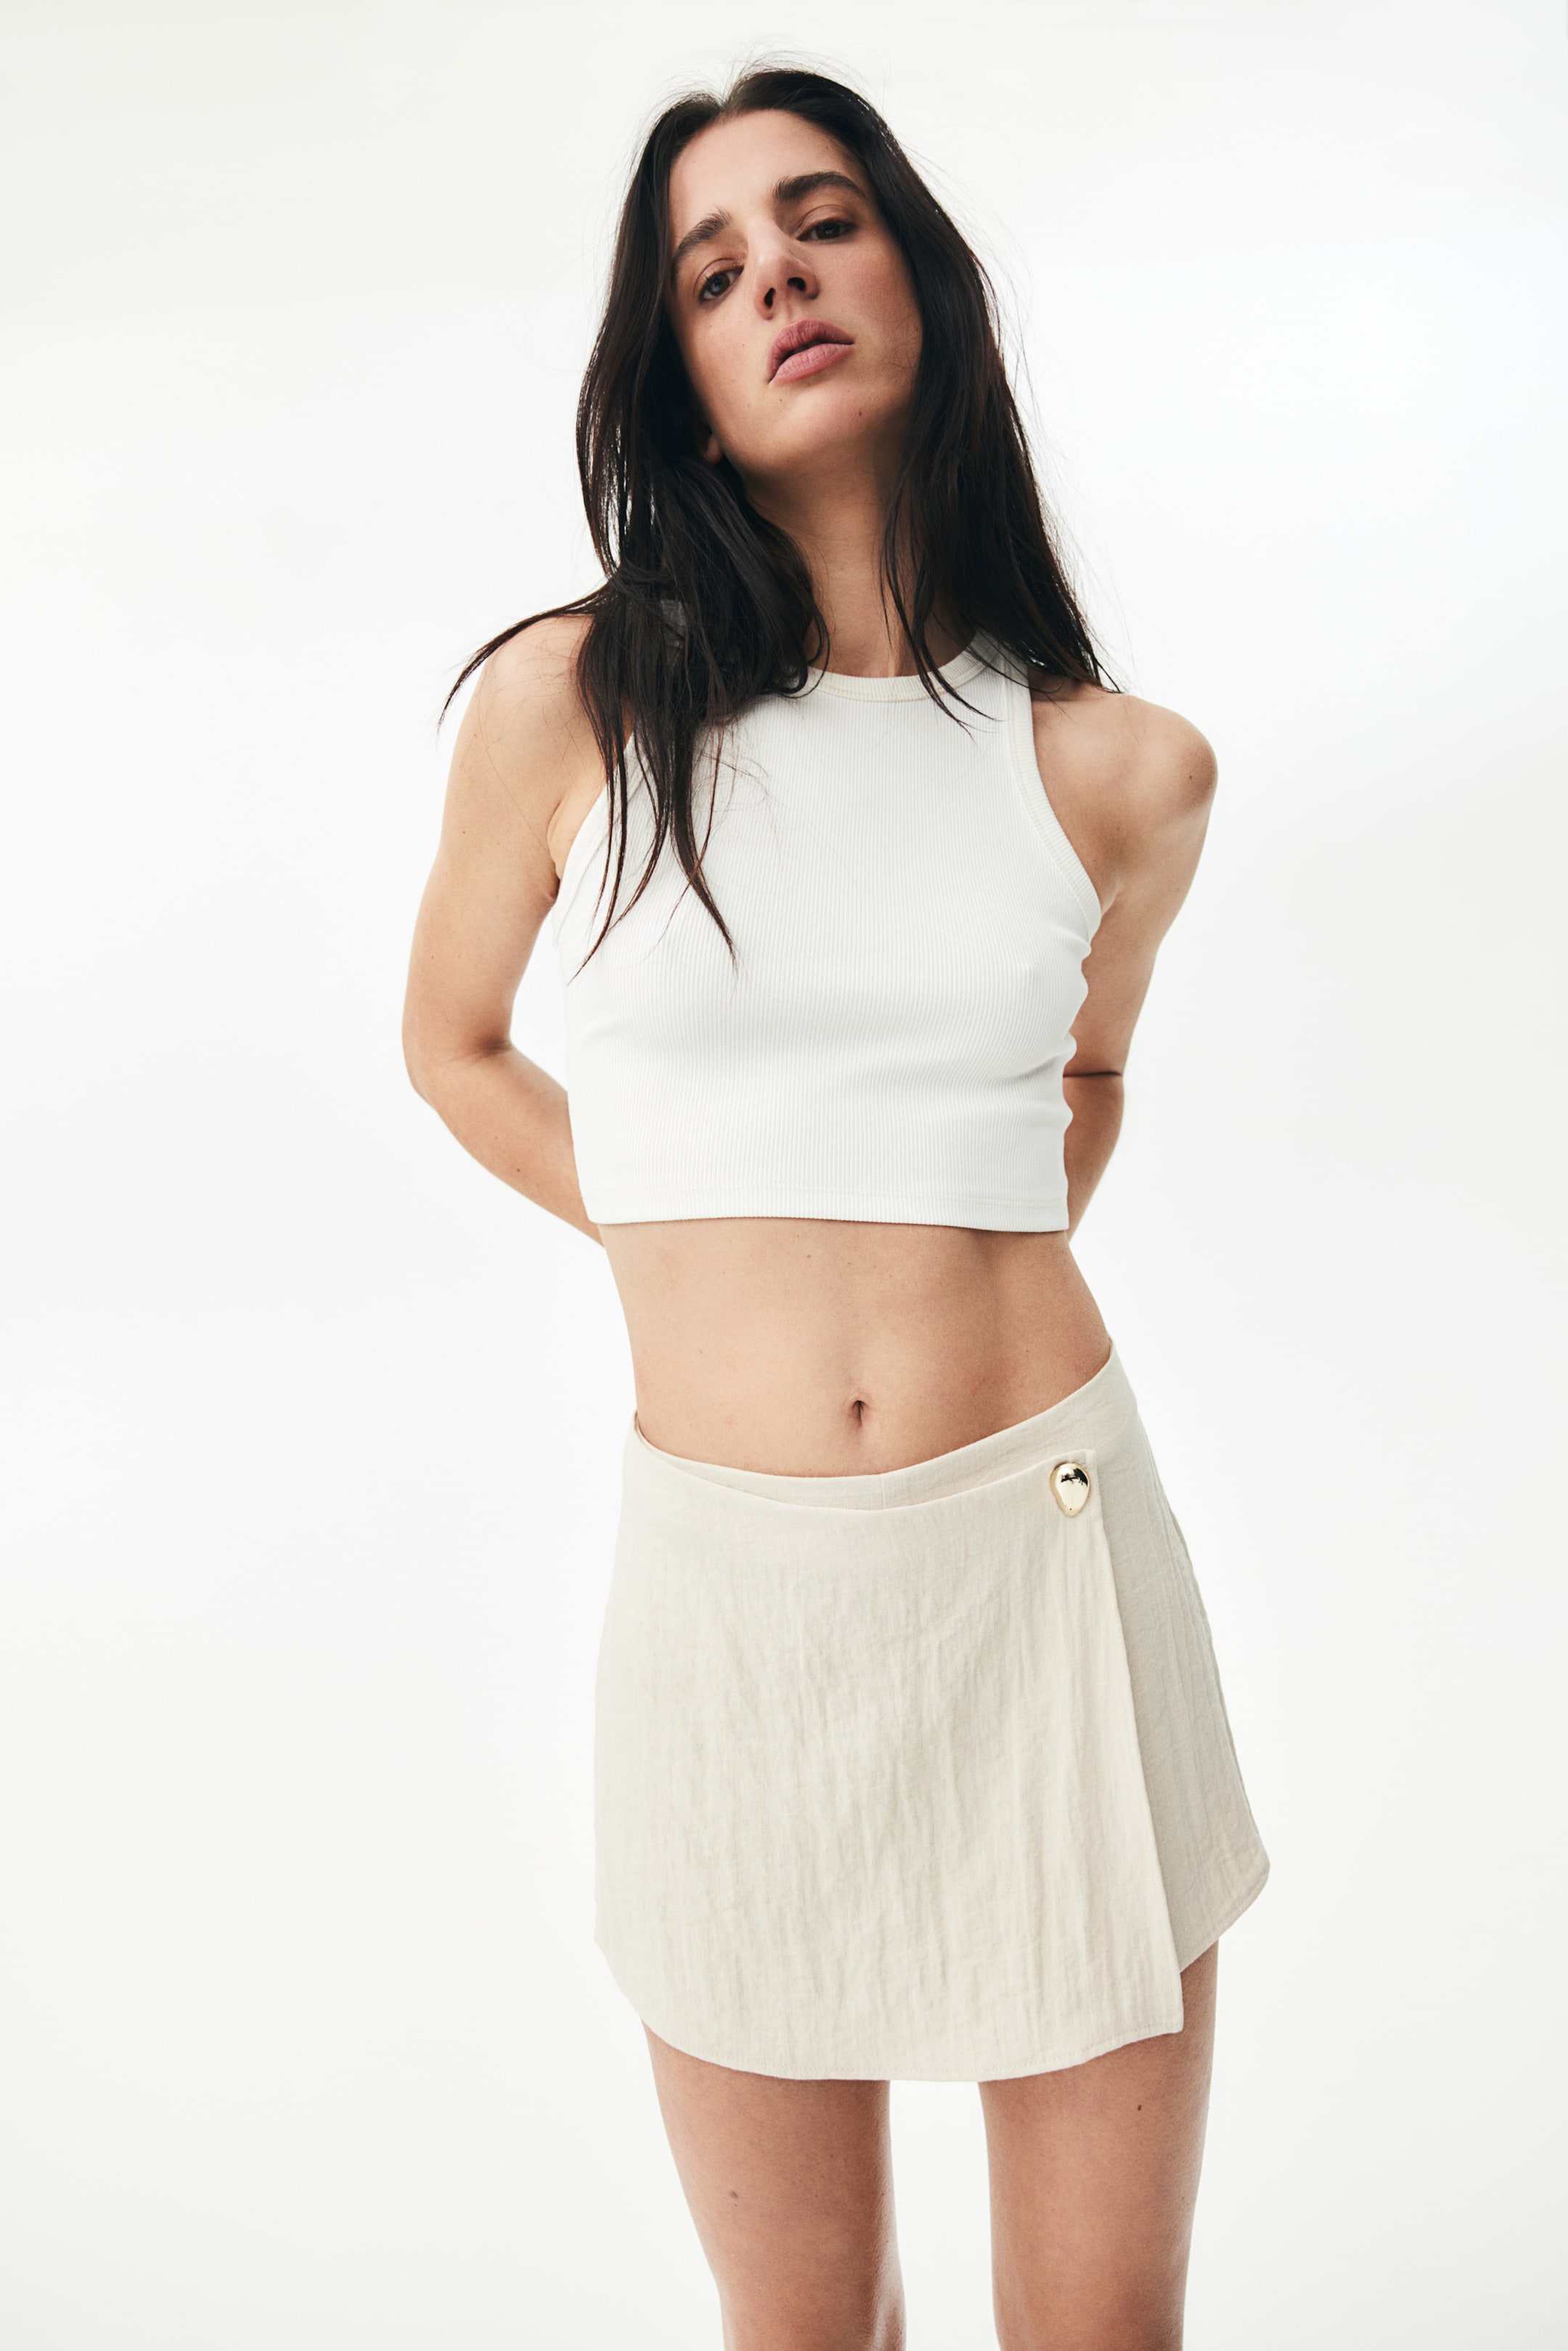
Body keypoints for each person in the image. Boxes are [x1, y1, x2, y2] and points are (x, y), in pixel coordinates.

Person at [402, 62, 1267, 2351]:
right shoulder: (573, 704)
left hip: (1049, 1567)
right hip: (735, 1603)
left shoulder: (1119, 765)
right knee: (805, 2329)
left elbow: (1087, 1079)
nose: (776, 275)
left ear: (921, 280)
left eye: (822, 221)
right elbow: (453, 1046)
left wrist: (928, 1236)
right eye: (712, 270)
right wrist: (692, 1228)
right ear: (676, 377)